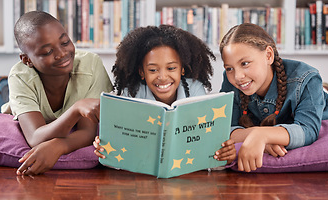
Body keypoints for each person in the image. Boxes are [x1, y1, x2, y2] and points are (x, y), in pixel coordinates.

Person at [93, 24, 236, 165]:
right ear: (142, 72)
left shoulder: (194, 90)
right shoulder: (131, 93)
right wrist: (106, 147)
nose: (162, 77)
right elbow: (119, 138)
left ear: (182, 69)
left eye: (171, 68)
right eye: (153, 70)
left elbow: (205, 138)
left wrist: (223, 153)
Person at [2, 11, 113, 175]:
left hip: (46, 100)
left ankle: (2, 84)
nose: (61, 54)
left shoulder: (90, 65)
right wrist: (76, 108)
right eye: (47, 52)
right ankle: (3, 85)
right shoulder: (21, 76)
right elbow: (35, 137)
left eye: (65, 42)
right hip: (22, 99)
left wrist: (59, 145)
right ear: (27, 60)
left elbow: (88, 131)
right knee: (9, 97)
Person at [219, 23, 328, 172]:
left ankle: (324, 90)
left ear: (268, 55)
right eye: (229, 68)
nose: (237, 76)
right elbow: (225, 128)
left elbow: (308, 130)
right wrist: (261, 138)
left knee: (320, 94)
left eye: (245, 63)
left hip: (321, 111)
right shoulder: (232, 83)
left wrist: (261, 135)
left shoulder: (306, 78)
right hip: (275, 124)